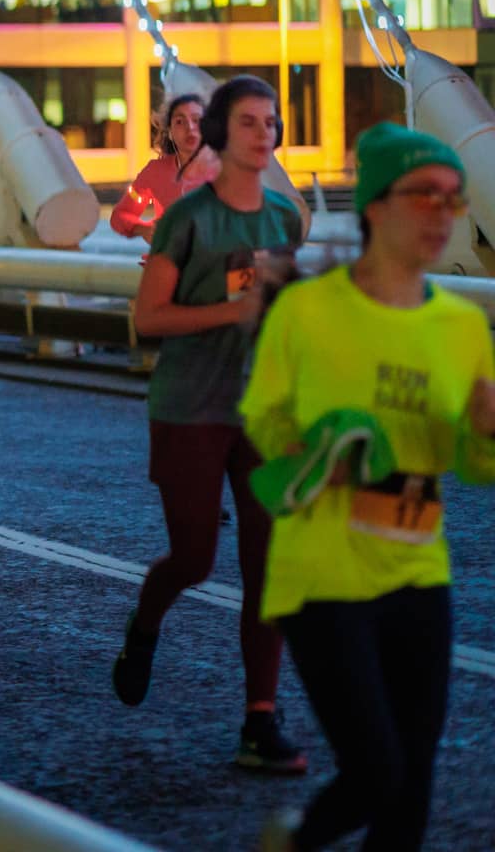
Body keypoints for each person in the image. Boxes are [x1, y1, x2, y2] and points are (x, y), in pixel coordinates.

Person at [243, 125, 495, 851]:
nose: (442, 213)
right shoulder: (307, 311)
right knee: (378, 769)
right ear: (377, 207)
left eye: (453, 199)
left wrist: (485, 433)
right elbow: (262, 417)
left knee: (411, 791)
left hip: (418, 565)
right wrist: (327, 445)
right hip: (323, 568)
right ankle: (295, 842)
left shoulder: (460, 327)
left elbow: (473, 468)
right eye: (425, 195)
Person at [110, 75, 308, 773]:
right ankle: (145, 623)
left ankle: (260, 718)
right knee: (195, 558)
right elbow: (150, 318)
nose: (264, 134)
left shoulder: (285, 218)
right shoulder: (185, 218)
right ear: (221, 135)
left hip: (260, 411)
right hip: (190, 406)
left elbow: (278, 307)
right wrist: (231, 313)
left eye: (270, 122)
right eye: (249, 122)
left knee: (268, 566)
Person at [111, 93, 218, 241]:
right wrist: (143, 228)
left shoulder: (229, 171)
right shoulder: (156, 172)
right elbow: (120, 215)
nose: (190, 128)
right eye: (180, 122)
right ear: (169, 133)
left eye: (197, 120)